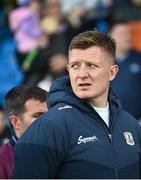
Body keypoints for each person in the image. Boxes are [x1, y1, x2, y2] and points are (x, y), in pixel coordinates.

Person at [13, 30, 141, 179]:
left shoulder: (130, 125)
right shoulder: (48, 127)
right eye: (75, 66)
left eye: (91, 65)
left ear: (112, 72)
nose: (81, 74)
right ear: (68, 70)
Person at [0, 85, 48, 179]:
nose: (49, 121)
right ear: (16, 122)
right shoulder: (2, 160)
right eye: (38, 115)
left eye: (50, 114)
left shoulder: (63, 151)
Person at [110, 21, 141, 120]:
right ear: (111, 37)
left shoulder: (139, 58)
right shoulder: (103, 61)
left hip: (137, 122)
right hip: (111, 122)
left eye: (129, 33)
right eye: (123, 34)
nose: (128, 37)